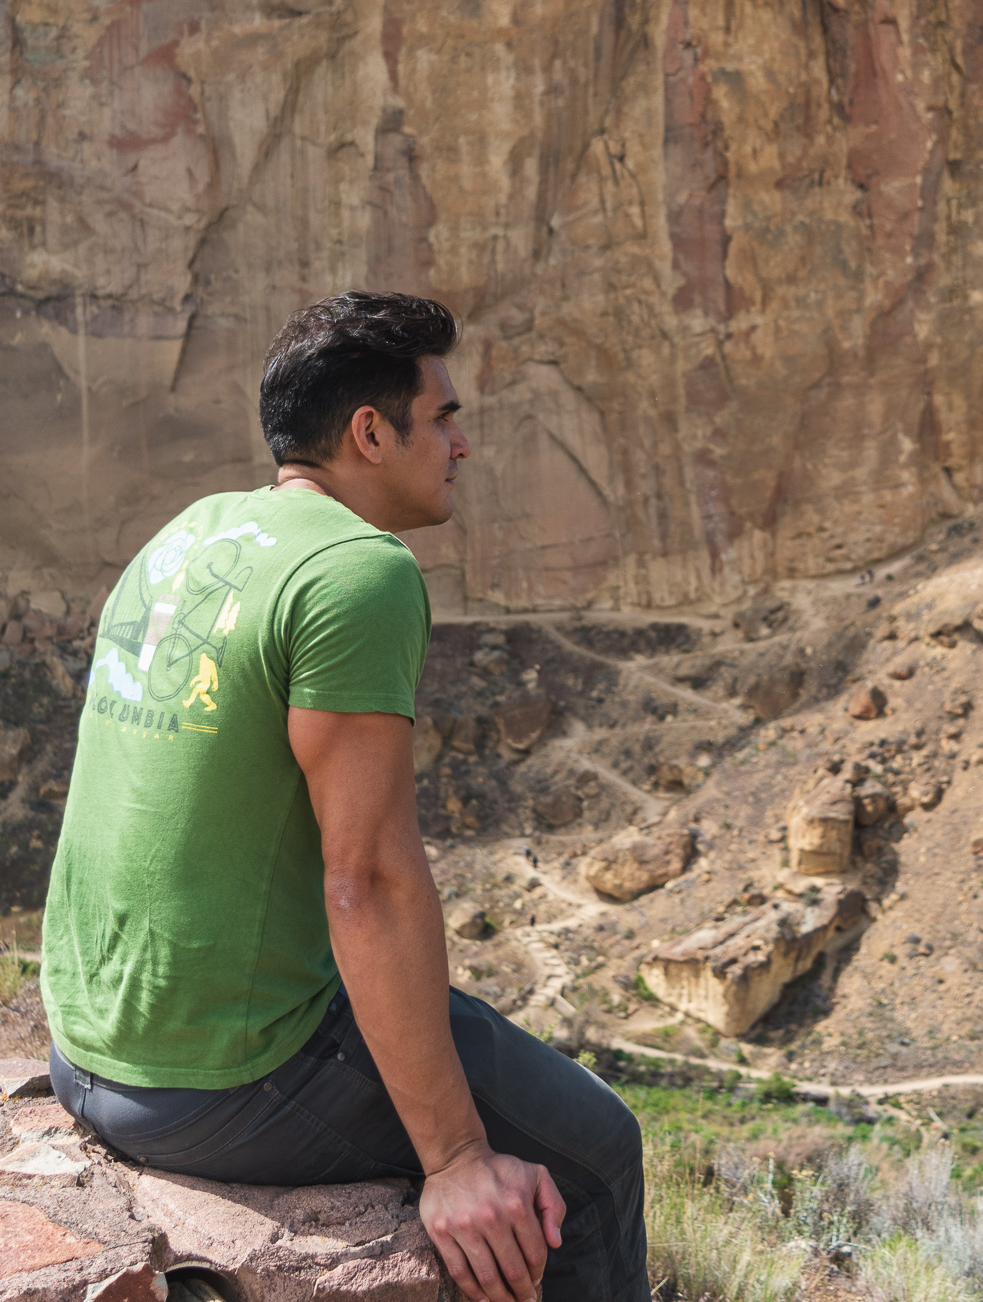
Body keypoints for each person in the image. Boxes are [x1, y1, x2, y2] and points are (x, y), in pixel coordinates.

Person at [41, 291, 649, 1302]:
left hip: (87, 1051)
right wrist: (455, 1156)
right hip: (221, 1080)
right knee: (594, 1147)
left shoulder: (189, 533)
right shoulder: (357, 569)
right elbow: (364, 878)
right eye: (443, 415)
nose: (461, 443)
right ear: (371, 431)